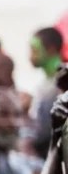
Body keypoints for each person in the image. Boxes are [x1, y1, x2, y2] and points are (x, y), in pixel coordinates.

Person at [29, 27, 65, 155]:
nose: (30, 56)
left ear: (50, 49)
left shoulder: (61, 82)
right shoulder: (44, 84)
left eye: (34, 50)